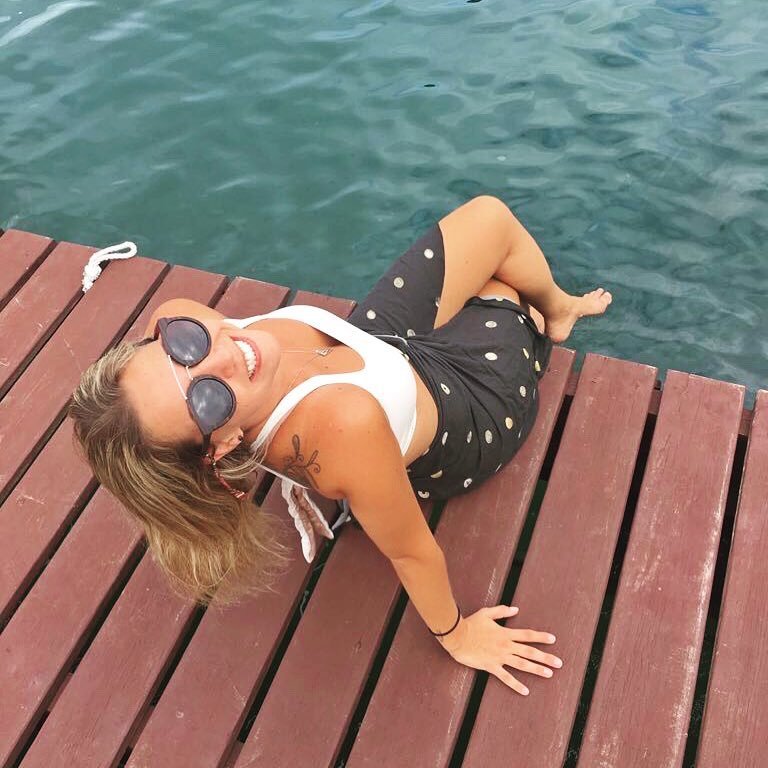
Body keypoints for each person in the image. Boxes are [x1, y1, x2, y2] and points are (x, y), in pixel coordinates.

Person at [69, 195, 611, 696]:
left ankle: (559, 308)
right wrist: (458, 635)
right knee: (507, 292)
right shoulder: (342, 426)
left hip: (376, 345)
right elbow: (411, 550)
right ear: (223, 445)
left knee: (491, 220)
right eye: (207, 400)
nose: (224, 356)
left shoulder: (179, 319)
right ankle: (545, 317)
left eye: (183, 345)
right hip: (468, 414)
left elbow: (195, 365)